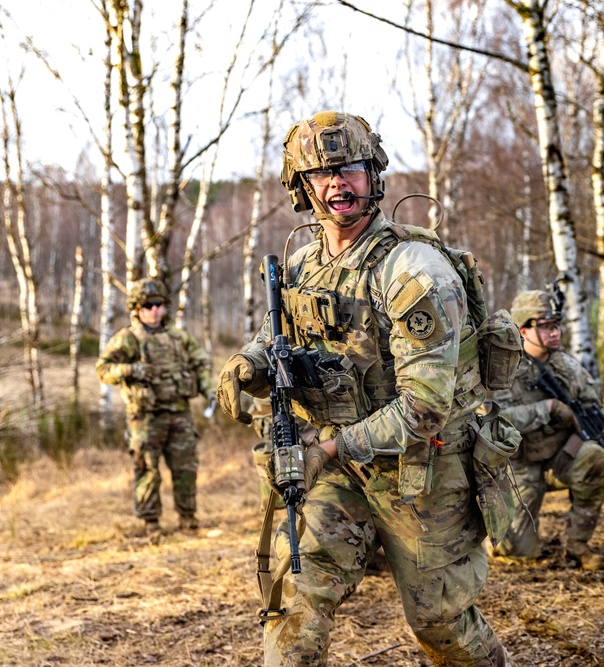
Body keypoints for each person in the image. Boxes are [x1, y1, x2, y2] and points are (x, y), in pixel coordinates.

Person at [215, 111, 514, 666]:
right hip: (334, 468)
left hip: (422, 469)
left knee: (440, 623)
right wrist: (247, 365)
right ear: (300, 187)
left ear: (373, 173)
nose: (336, 184)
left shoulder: (414, 271)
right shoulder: (303, 264)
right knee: (294, 599)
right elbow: (273, 334)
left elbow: (425, 408)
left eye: (348, 168)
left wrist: (324, 451)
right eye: (319, 174)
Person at [491, 290, 604, 570]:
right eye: (546, 326)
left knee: (595, 457)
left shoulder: (567, 366)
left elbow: (595, 415)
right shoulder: (501, 368)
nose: (555, 333)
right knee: (516, 552)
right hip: (516, 467)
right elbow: (492, 419)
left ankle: (578, 545)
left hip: (558, 457)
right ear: (523, 329)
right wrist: (547, 409)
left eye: (557, 325)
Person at [96, 278, 214, 535]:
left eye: (159, 304)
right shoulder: (127, 339)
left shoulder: (178, 337)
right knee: (147, 469)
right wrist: (131, 369)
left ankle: (188, 518)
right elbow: (103, 369)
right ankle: (151, 523)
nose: (154, 310)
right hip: (146, 417)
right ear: (137, 308)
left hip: (179, 412)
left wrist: (210, 392)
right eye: (148, 305)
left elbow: (201, 365)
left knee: (186, 467)